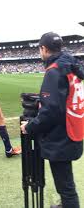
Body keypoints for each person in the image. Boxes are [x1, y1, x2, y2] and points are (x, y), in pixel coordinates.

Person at [20, 32, 84, 208]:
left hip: (62, 135)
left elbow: (51, 111)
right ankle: (65, 203)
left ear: (43, 48)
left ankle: (68, 203)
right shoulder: (70, 65)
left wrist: (30, 126)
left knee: (66, 187)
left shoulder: (55, 70)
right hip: (72, 129)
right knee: (65, 182)